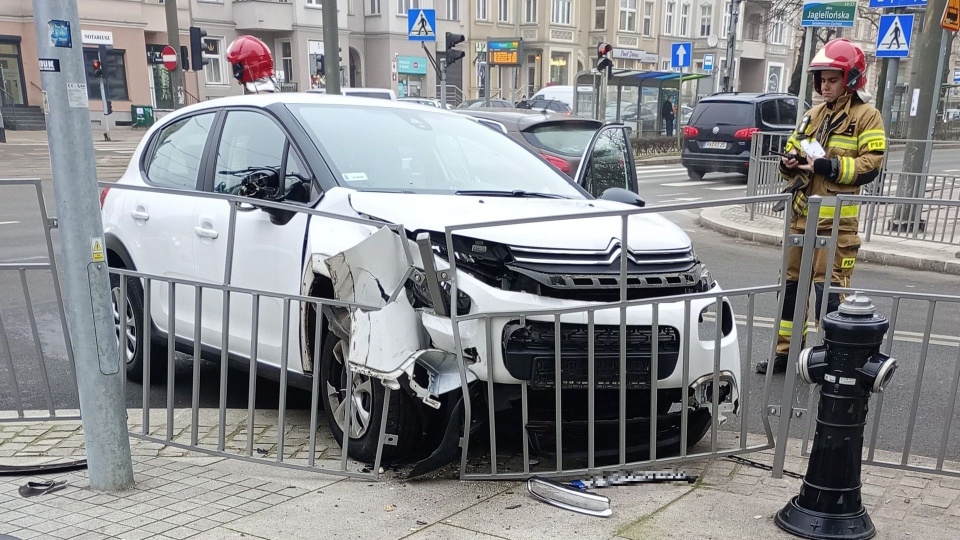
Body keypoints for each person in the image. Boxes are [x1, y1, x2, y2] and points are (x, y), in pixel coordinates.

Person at [756, 38, 886, 374]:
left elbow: (871, 165)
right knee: (791, 289)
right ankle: (787, 352)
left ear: (851, 79)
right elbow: (792, 149)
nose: (825, 86)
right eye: (822, 80)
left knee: (829, 293)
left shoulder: (867, 117)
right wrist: (788, 163)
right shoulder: (812, 116)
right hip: (802, 219)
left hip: (838, 224)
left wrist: (827, 166)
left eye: (832, 79)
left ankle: (832, 357)